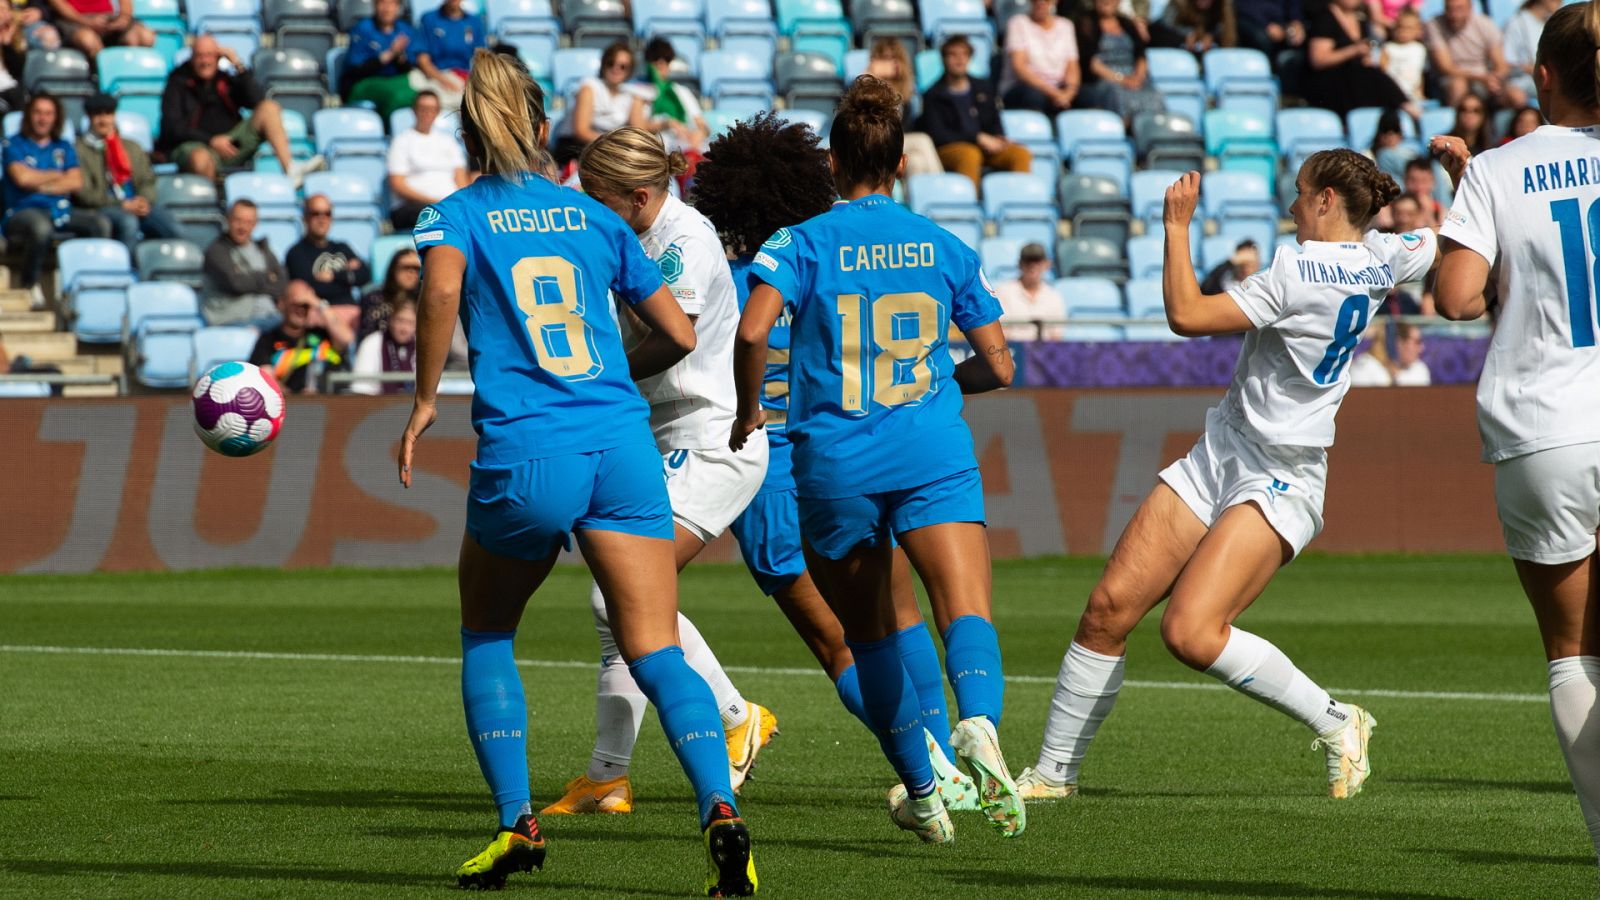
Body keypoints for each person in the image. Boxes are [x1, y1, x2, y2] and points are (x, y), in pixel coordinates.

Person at [397, 49, 756, 895]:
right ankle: (721, 813)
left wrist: (422, 400)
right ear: (537, 118)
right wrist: (601, 383)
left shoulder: (451, 216)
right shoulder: (593, 216)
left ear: (465, 126)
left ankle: (516, 825)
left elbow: (440, 296)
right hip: (622, 447)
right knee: (657, 649)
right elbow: (671, 331)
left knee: (487, 633)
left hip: (528, 451)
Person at [1018, 152, 1435, 804]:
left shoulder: (1299, 268)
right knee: (1107, 611)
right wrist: (1468, 179)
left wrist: (1177, 227)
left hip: (1282, 474)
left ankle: (1336, 720)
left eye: (1299, 195)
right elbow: (1441, 245)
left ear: (1327, 200)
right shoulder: (1388, 253)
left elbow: (1186, 315)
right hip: (1222, 450)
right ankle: (1051, 775)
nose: (1291, 207)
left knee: (1189, 631)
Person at [733, 75, 1022, 845]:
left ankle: (926, 793)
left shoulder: (799, 242)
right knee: (963, 608)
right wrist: (936, 382)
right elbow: (999, 365)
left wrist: (745, 408)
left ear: (833, 162)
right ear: (899, 165)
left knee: (872, 639)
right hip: (931, 448)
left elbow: (755, 330)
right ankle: (982, 723)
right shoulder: (944, 245)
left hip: (834, 464)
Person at [694, 110, 979, 812]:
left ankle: (928, 774)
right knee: (898, 612)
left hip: (770, 461)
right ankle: (947, 766)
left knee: (841, 643)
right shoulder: (827, 253)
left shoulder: (734, 274)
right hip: (858, 445)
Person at [542, 125, 777, 816]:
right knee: (622, 603)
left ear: (640, 197)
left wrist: (593, 379)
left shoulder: (686, 243)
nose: (588, 209)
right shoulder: (624, 227)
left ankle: (732, 721)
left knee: (617, 598)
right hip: (655, 435)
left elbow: (665, 344)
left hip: (711, 438)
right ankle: (610, 776)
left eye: (599, 198)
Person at [1432, 3, 1600, 873]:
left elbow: (1456, 297)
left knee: (1573, 655)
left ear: (1542, 79)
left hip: (1546, 427)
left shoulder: (1499, 168)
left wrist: (1470, 193)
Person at [159, 35, 321, 185]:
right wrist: (211, 140)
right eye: (200, 56)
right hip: (195, 146)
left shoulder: (225, 80)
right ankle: (210, 207)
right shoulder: (177, 82)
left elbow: (257, 100)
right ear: (192, 58)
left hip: (231, 144)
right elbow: (172, 127)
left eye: (210, 55)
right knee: (201, 158)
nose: (205, 61)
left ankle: (290, 169)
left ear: (218, 57)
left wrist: (238, 65)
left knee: (269, 108)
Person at [4, 93, 110, 306]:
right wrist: (58, 174)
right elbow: (22, 178)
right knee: (41, 228)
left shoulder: (63, 146)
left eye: (48, 113)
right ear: (29, 116)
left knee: (100, 224)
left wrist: (39, 181)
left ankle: (88, 287)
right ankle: (29, 284)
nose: (43, 119)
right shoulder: (14, 144)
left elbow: (76, 181)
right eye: (38, 113)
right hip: (22, 211)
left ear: (56, 117)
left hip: (59, 209)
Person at [920, 35, 1033, 191]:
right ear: (944, 59)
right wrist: (976, 138)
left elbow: (994, 119)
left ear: (969, 58)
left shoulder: (983, 87)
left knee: (1020, 154)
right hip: (951, 148)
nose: (959, 59)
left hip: (985, 146)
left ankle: (1021, 201)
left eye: (964, 54)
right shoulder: (932, 95)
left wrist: (999, 137)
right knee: (970, 154)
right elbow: (938, 135)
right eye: (953, 55)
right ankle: (969, 206)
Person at [73, 92, 180, 252]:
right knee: (128, 223)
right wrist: (122, 204)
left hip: (136, 203)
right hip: (103, 207)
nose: (103, 120)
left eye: (108, 114)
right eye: (97, 115)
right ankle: (126, 271)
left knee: (172, 226)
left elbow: (147, 180)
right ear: (89, 117)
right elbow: (86, 194)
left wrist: (144, 200)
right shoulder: (78, 150)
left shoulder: (132, 147)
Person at [1302, 0, 1418, 119]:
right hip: (1330, 83)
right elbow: (1318, 60)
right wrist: (1353, 51)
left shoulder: (1361, 20)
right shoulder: (1324, 18)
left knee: (1372, 73)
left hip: (1355, 81)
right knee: (1371, 75)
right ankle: (1405, 106)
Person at [248, 279, 353, 394]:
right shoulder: (268, 339)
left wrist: (318, 302)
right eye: (295, 304)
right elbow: (266, 378)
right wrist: (300, 400)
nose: (301, 310)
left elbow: (346, 339)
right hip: (292, 406)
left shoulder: (323, 334)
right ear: (282, 304)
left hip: (333, 404)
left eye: (306, 305)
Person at [551, 41, 645, 167]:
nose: (616, 69)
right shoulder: (589, 87)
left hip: (607, 149)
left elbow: (638, 131)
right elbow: (581, 131)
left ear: (629, 71)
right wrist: (615, 145)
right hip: (576, 147)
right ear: (604, 64)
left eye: (623, 66)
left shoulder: (631, 95)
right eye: (611, 63)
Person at [283, 193, 369, 330]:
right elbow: (311, 287)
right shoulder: (296, 253)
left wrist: (335, 275)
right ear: (305, 217)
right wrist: (348, 278)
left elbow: (365, 274)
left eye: (327, 214)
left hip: (351, 311)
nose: (322, 219)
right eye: (315, 214)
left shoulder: (342, 247)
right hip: (319, 314)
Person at [387, 90, 470, 230]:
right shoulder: (402, 141)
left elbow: (461, 179)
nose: (427, 113)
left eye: (432, 109)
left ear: (438, 112)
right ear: (414, 111)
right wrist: (434, 202)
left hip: (449, 205)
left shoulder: (449, 141)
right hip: (415, 207)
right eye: (423, 108)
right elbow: (398, 184)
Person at [1077, 0, 1166, 122]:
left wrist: (1138, 77)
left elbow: (1141, 56)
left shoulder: (1128, 24)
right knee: (1116, 94)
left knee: (1154, 94)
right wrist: (1121, 79)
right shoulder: (1086, 23)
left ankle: (1156, 128)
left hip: (1132, 77)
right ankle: (1128, 128)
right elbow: (1091, 63)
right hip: (1102, 80)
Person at [202, 199, 286, 326]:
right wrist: (267, 277)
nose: (243, 227)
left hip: (270, 316)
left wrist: (249, 278)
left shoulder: (263, 249)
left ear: (255, 224)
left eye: (249, 222)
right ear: (227, 220)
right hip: (233, 321)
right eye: (238, 220)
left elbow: (282, 283)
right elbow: (236, 284)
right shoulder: (216, 251)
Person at [1427, 0, 1525, 108]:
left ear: (1470, 8)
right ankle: (1458, 121)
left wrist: (1495, 78)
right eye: (1450, 9)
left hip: (1485, 77)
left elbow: (1501, 64)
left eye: (1459, 9)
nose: (1454, 14)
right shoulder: (1435, 25)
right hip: (1455, 78)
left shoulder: (1486, 24)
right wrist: (1481, 78)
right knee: (1458, 86)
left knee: (1517, 96)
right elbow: (1445, 67)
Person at [343, 0, 421, 118]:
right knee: (398, 97)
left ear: (398, 7)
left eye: (391, 4)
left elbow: (411, 65)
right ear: (375, 6)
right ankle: (389, 129)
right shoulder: (362, 29)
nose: (387, 9)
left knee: (422, 95)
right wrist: (390, 54)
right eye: (382, 3)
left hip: (398, 79)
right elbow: (356, 70)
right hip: (367, 82)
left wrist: (400, 56)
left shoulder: (405, 29)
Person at [1003, 0, 1082, 115]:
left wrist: (1069, 92)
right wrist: (1054, 93)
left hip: (1057, 88)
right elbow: (1020, 68)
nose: (1040, 2)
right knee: (1035, 97)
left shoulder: (1066, 26)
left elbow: (1072, 67)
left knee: (1088, 97)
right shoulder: (1018, 23)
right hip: (1024, 87)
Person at [635, 37, 710, 158]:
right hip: (657, 150)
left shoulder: (682, 91)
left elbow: (703, 125)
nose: (661, 64)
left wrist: (699, 133)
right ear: (648, 63)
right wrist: (667, 124)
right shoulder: (638, 91)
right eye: (656, 59)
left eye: (666, 59)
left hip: (686, 146)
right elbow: (636, 128)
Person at [414, 0, 485, 110]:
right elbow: (423, 60)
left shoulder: (474, 21)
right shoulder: (429, 19)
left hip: (463, 77)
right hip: (436, 76)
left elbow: (481, 59)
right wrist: (445, 81)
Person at [996, 242, 1065, 340]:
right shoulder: (1003, 292)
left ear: (1047, 264)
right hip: (1012, 351)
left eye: (1037, 260)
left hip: (1044, 351)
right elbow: (1002, 333)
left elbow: (1056, 337)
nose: (1032, 265)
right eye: (1028, 261)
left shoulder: (1054, 296)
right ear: (1020, 264)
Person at [349, 296, 415, 395]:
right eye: (400, 321)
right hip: (378, 407)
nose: (404, 329)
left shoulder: (424, 347)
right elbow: (360, 390)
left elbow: (435, 390)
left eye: (410, 323)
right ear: (390, 320)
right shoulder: (371, 343)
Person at [45, 0, 151, 61]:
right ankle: (105, 77)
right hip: (74, 20)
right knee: (88, 40)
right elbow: (59, 5)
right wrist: (86, 21)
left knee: (145, 37)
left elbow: (125, 3)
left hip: (108, 16)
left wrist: (124, 17)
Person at [359, 247, 420, 340]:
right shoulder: (373, 299)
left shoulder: (423, 301)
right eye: (406, 267)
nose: (412, 273)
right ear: (394, 269)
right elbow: (367, 337)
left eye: (416, 269)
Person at [1504, 0, 1559, 103]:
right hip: (1523, 81)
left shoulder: (1552, 25)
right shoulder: (1517, 22)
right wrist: (1532, 68)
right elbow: (1507, 62)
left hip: (1548, 79)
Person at [1348, 322, 1429, 386]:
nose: (1421, 348)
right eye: (1416, 342)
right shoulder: (1364, 366)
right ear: (1398, 343)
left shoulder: (1419, 368)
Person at [1150, 0, 1237, 55]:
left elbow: (1228, 35)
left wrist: (1212, 36)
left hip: (1206, 57)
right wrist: (1185, 35)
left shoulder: (1223, 8)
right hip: (1174, 51)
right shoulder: (1177, 4)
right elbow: (1163, 27)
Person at [1381, 8, 1427, 105]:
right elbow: (1382, 71)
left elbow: (1419, 73)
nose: (1403, 31)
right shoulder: (1388, 48)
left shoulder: (1420, 49)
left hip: (1413, 94)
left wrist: (1421, 92)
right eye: (1400, 27)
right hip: (1393, 93)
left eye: (1409, 28)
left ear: (1418, 30)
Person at [1233, 0, 1305, 62]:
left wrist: (1296, 22)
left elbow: (1294, 8)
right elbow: (1244, 7)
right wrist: (1266, 25)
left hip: (1284, 26)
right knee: (1262, 39)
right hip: (1256, 23)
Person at [0, 3, 30, 115]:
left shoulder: (17, 38)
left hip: (11, 93)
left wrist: (7, 43)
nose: (2, 14)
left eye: (4, 9)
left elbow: (17, 71)